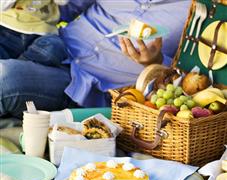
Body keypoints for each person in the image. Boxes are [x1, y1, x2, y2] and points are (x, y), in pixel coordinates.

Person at [0, 0, 191, 118]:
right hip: (52, 45)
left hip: (80, 83)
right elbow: (62, 9)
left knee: (5, 78)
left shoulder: (198, 11)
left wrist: (154, 62)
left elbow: (190, 78)